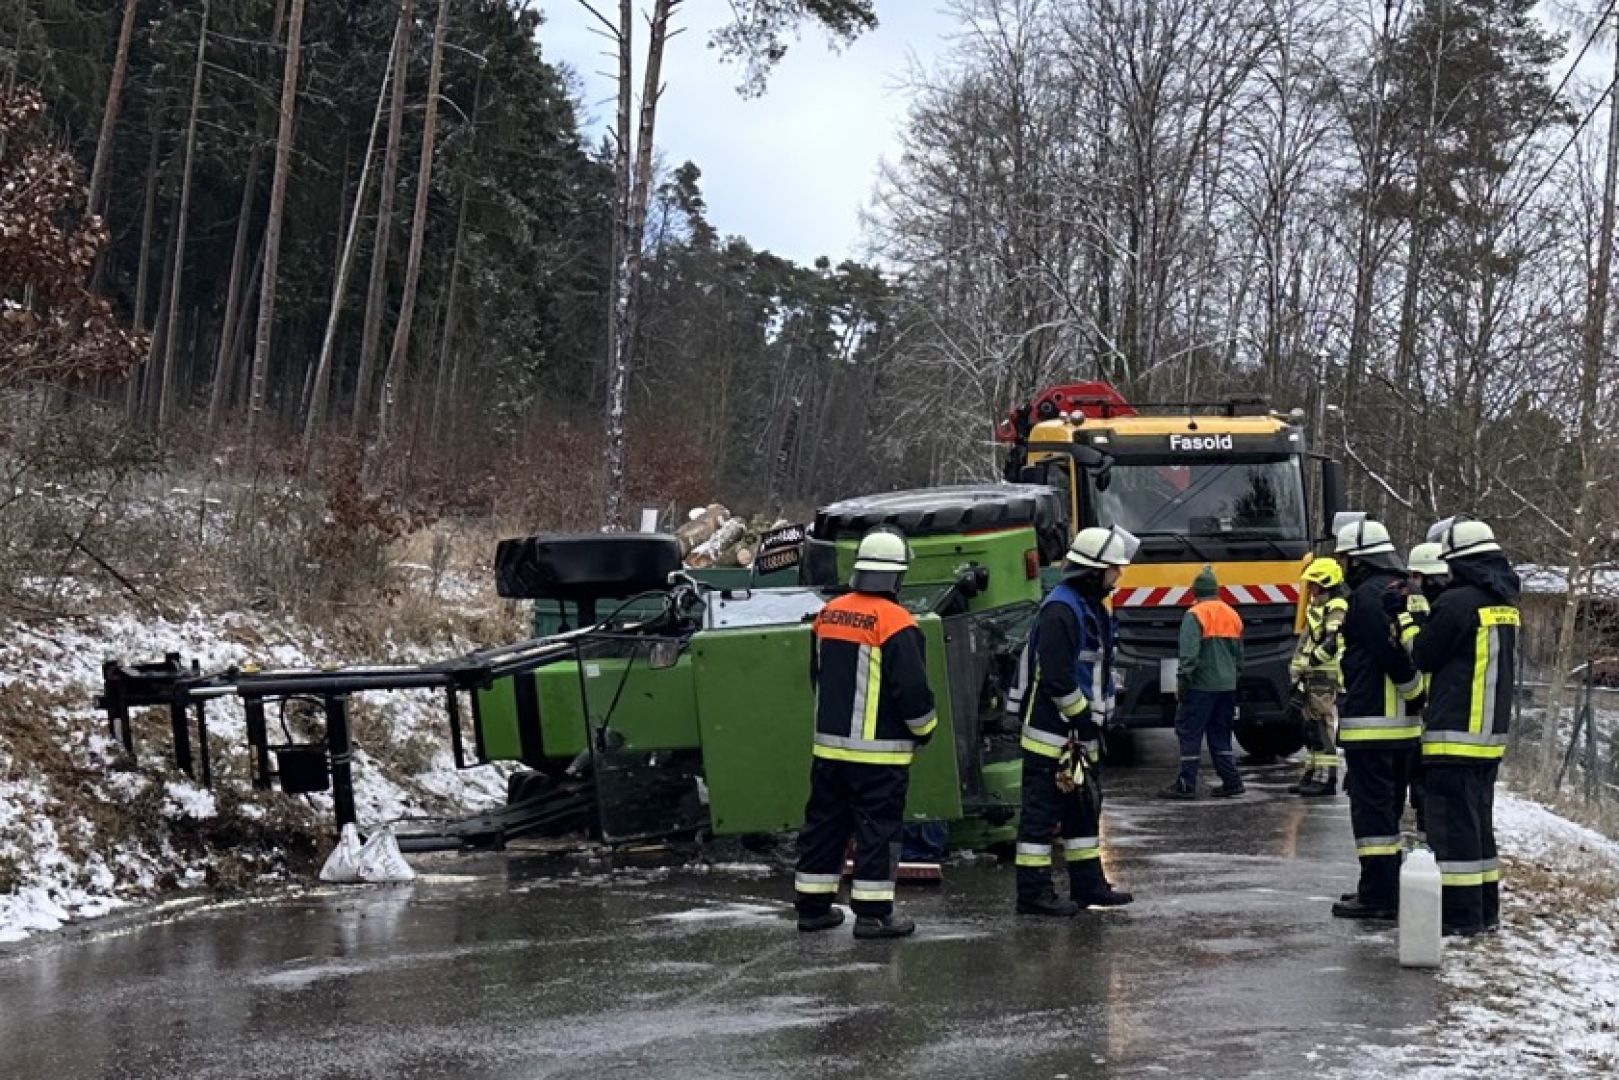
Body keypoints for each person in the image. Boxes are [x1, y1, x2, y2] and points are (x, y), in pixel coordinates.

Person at [794, 526, 937, 939]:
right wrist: (925, 729)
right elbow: (911, 690)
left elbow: (817, 676)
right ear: (897, 576)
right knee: (878, 831)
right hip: (878, 756)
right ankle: (873, 916)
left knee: (824, 827)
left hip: (830, 751)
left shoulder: (828, 614)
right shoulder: (896, 622)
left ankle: (813, 908)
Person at [1009, 524, 1140, 915]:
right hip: (1053, 735)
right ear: (1093, 571)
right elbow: (1057, 677)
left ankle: (1089, 886)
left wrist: (1098, 719)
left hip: (1079, 734)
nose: (1118, 576)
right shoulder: (1062, 610)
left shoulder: (1087, 607)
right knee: (1041, 818)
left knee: (1082, 813)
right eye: (1113, 569)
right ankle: (1033, 895)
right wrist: (1082, 717)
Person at [1409, 517, 1518, 936]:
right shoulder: (1504, 604)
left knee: (1453, 834)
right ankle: (1485, 912)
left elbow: (1423, 655)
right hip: (1488, 739)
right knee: (1478, 829)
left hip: (1453, 736)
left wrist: (1407, 622)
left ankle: (1460, 918)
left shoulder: (1456, 603)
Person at [1330, 515, 1425, 921]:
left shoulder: (1369, 596)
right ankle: (1384, 890)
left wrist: (1413, 690)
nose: (1341, 567)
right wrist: (1417, 697)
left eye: (1344, 559)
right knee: (1389, 811)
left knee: (1373, 816)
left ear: (1359, 559)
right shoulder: (1407, 591)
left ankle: (1377, 897)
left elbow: (1388, 654)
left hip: (1373, 724)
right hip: (1404, 729)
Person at [1159, 565, 1246, 799]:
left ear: (1195, 592)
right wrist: (1233, 678)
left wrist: (1182, 684)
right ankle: (1232, 781)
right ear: (1216, 590)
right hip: (1227, 687)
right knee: (1220, 734)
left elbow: (1189, 656)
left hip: (1201, 686)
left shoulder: (1194, 615)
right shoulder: (1232, 614)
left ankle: (1186, 783)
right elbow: (1239, 657)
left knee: (1189, 732)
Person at [1395, 542, 1451, 835]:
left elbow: (1417, 651)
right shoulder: (1450, 605)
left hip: (1428, 707)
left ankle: (1427, 836)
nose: (1413, 583)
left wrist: (1402, 620)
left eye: (1417, 576)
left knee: (1425, 782)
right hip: (1434, 708)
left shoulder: (1436, 609)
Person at [1288, 557, 1348, 797]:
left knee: (1322, 727)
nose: (1310, 589)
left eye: (1314, 584)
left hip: (1324, 674)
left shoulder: (1336, 607)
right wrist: (1297, 672)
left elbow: (1332, 641)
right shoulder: (1317, 607)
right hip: (1311, 675)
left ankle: (1327, 778)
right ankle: (1312, 773)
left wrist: (1311, 662)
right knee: (1311, 728)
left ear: (1326, 583)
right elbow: (1306, 641)